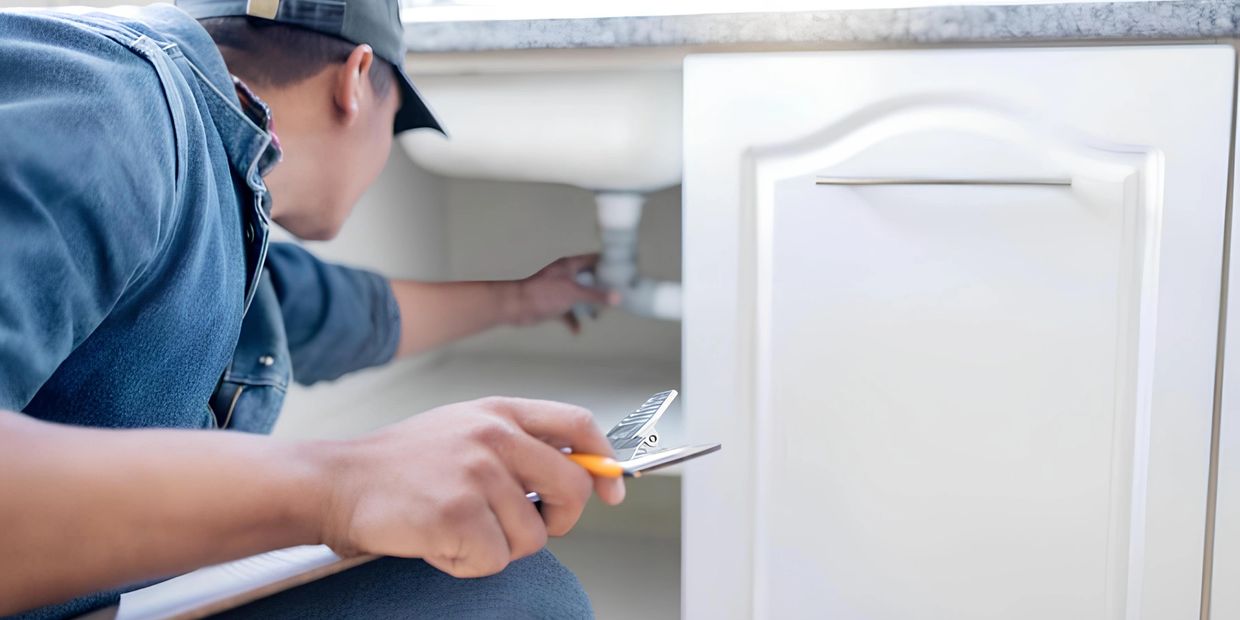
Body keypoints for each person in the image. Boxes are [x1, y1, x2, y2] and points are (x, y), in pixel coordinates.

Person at [0, 0, 624, 617]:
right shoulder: (117, 102)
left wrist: (527, 299)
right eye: (396, 118)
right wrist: (341, 486)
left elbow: (347, 315)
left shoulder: (214, 204)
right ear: (356, 80)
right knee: (512, 598)